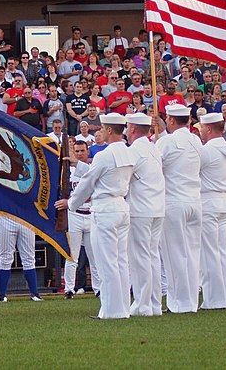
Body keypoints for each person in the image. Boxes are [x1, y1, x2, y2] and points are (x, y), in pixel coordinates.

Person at [56, 113, 134, 319]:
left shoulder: (104, 155)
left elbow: (89, 181)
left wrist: (71, 203)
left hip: (105, 209)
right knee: (121, 261)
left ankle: (111, 310)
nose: (98, 131)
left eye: (101, 128)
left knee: (107, 262)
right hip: (121, 206)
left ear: (109, 130)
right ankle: (123, 306)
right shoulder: (127, 152)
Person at [156, 104, 202, 313]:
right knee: (191, 254)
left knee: (174, 255)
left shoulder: (167, 141)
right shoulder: (195, 140)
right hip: (194, 201)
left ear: (171, 120)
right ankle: (190, 300)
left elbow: (153, 166)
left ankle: (178, 302)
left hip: (174, 201)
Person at [124, 113, 164, 316]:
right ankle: (154, 304)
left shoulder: (135, 151)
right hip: (157, 208)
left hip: (141, 209)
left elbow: (123, 180)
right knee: (152, 256)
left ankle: (142, 304)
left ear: (132, 129)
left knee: (140, 258)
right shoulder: (154, 148)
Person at [198, 113, 226, 310]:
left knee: (210, 253)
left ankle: (213, 299)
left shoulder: (208, 150)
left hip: (209, 203)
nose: (201, 131)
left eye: (202, 128)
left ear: (209, 128)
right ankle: (224, 298)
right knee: (222, 252)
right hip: (222, 203)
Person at [61, 140, 100, 300]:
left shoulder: (93, 167)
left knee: (94, 255)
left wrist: (77, 163)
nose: (79, 154)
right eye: (76, 151)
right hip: (75, 214)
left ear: (87, 151)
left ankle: (98, 288)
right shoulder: (67, 171)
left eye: (82, 151)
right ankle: (69, 289)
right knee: (72, 255)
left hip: (90, 213)